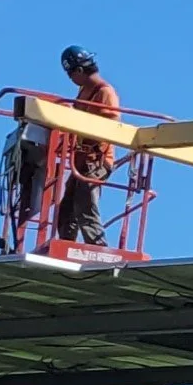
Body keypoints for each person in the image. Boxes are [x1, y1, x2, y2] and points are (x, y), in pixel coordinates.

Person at [56, 45, 120, 244]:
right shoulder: (84, 92)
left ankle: (97, 247)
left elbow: (109, 128)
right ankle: (67, 245)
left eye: (70, 74)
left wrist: (80, 139)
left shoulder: (104, 93)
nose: (70, 79)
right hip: (81, 161)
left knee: (85, 204)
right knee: (67, 208)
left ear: (80, 70)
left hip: (97, 161)